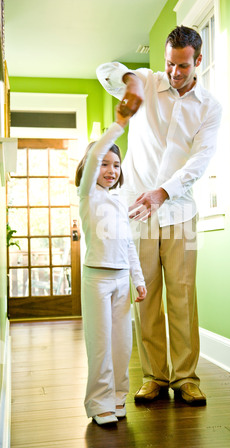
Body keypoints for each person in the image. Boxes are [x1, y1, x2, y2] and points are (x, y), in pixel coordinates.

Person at [96, 25, 222, 406]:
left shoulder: (209, 107)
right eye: (170, 63)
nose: (174, 72)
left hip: (180, 210)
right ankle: (155, 376)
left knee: (182, 296)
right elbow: (106, 71)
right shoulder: (149, 83)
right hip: (139, 211)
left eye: (182, 66)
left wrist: (163, 191)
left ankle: (185, 377)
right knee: (145, 293)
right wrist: (131, 80)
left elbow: (200, 161)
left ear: (198, 61)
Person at [75, 106, 147, 426]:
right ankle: (98, 402)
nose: (111, 169)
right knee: (100, 343)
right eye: (104, 163)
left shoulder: (118, 201)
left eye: (116, 164)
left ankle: (118, 397)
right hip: (97, 280)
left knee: (122, 345)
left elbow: (128, 245)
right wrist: (118, 125)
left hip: (121, 282)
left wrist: (138, 279)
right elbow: (92, 162)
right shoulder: (88, 195)